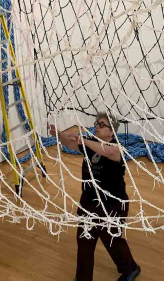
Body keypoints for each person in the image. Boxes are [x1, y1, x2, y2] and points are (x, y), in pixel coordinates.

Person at [49, 112, 141, 281]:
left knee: (112, 240)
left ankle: (131, 268)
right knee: (84, 241)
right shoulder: (91, 145)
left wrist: (84, 140)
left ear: (112, 132)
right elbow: (70, 143)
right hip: (89, 202)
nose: (96, 127)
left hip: (112, 205)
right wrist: (58, 133)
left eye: (101, 125)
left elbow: (109, 152)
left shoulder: (115, 148)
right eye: (96, 123)